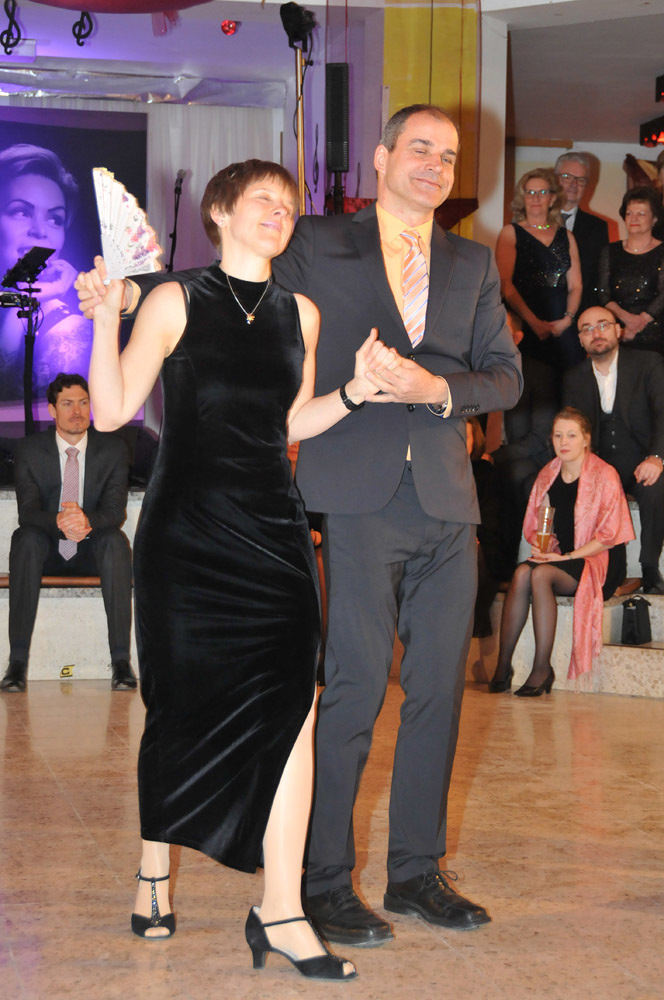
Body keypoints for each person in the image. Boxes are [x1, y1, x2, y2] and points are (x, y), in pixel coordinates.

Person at [77, 105, 522, 947]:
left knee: (422, 693)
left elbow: (504, 376)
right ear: (381, 157)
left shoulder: (467, 262)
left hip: (430, 498)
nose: (436, 163)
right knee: (336, 691)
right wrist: (127, 295)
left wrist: (425, 390)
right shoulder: (314, 239)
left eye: (449, 154)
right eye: (420, 147)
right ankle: (307, 882)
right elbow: (224, 278)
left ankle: (402, 875)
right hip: (328, 498)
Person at [85, 158, 404, 980]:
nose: (279, 212)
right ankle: (154, 869)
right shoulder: (174, 300)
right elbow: (113, 411)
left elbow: (289, 422)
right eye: (262, 199)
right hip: (188, 536)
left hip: (273, 532)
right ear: (220, 212)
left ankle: (283, 910)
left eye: (288, 205)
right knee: (177, 704)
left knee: (293, 708)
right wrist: (103, 319)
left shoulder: (302, 313)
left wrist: (357, 392)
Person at [0, 373, 135, 693]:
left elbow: (114, 512)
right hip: (46, 550)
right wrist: (61, 520)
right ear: (52, 409)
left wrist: (85, 521)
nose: (77, 411)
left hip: (92, 549)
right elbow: (28, 513)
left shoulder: (113, 449)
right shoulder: (30, 450)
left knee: (115, 542)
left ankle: (121, 663)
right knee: (26, 538)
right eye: (68, 404)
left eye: (84, 403)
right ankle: (17, 663)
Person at [488, 407, 633, 696]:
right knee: (522, 572)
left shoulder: (605, 474)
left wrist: (565, 558)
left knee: (540, 575)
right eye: (557, 436)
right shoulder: (548, 475)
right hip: (562, 557)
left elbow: (608, 538)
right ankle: (503, 665)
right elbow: (539, 526)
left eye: (571, 435)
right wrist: (544, 548)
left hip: (599, 559)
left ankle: (542, 668)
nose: (563, 442)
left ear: (586, 439)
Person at [562, 305, 664, 594]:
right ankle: (590, 567)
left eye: (603, 325)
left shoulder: (648, 363)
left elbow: (663, 413)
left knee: (656, 487)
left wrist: (657, 458)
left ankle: (649, 568)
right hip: (600, 464)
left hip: (642, 459)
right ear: (580, 340)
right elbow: (573, 427)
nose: (596, 333)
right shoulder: (574, 377)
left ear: (618, 330)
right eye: (587, 329)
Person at [0, 145, 89, 400]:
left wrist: (27, 301)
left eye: (54, 219)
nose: (40, 231)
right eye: (21, 212)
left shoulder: (65, 330)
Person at [496, 167, 582, 378]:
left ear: (552, 199)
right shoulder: (510, 233)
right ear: (523, 198)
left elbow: (576, 286)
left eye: (542, 192)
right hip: (524, 325)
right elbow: (505, 285)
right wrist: (534, 323)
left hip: (562, 327)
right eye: (530, 192)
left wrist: (567, 320)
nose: (536, 198)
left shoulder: (567, 236)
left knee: (568, 385)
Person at [597, 186, 664, 355]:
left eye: (641, 214)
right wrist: (625, 320)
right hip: (619, 333)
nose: (634, 218)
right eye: (629, 213)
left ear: (654, 219)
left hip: (656, 335)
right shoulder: (610, 251)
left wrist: (639, 323)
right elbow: (603, 292)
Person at [554, 152, 609, 320]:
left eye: (581, 180)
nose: (573, 184)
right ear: (554, 180)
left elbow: (600, 278)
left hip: (580, 317)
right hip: (538, 315)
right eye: (567, 177)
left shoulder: (598, 227)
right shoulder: (535, 221)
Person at [466, 418, 505, 638]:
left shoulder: (485, 473)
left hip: (482, 542)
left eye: (466, 437)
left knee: (474, 554)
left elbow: (491, 521)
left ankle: (472, 624)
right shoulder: (436, 473)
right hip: (442, 541)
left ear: (475, 441)